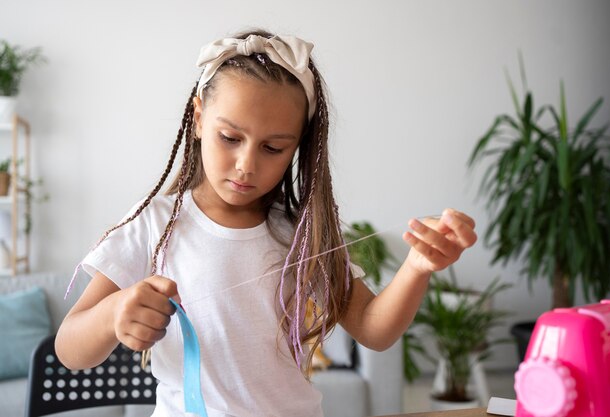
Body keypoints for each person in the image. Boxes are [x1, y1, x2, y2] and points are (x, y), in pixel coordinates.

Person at [55, 29, 477, 417]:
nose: (246, 165)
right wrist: (113, 313)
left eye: (273, 147)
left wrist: (418, 267)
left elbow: (374, 329)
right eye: (230, 138)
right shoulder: (156, 224)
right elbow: (70, 349)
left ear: (298, 147)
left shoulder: (299, 234)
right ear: (199, 118)